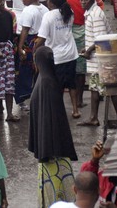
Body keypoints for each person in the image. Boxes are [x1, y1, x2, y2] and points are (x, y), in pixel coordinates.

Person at [29, 46, 78, 208]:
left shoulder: (41, 81)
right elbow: (52, 121)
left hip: (47, 151)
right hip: (55, 152)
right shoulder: (49, 83)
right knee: (60, 193)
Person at [78, 0, 117, 126]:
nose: (82, 2)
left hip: (102, 59)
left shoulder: (96, 14)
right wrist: (87, 48)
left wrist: (88, 51)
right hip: (96, 60)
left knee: (111, 89)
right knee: (94, 88)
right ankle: (93, 118)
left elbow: (101, 38)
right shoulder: (89, 12)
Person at [16, 0, 49, 109]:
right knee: (39, 70)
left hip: (30, 42)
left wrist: (20, 47)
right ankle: (38, 96)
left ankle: (23, 98)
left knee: (25, 70)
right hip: (43, 41)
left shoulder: (28, 10)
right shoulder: (45, 9)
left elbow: (25, 30)